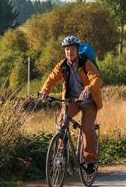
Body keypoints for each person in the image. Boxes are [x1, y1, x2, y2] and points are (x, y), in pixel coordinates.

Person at [39, 34, 103, 174]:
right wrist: (44, 91)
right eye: (67, 49)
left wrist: (88, 89)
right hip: (71, 100)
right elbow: (51, 78)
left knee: (86, 128)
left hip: (89, 101)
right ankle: (61, 153)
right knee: (61, 122)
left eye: (72, 49)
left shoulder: (85, 62)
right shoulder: (63, 65)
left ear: (77, 49)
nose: (70, 52)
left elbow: (96, 79)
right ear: (64, 51)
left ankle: (90, 161)